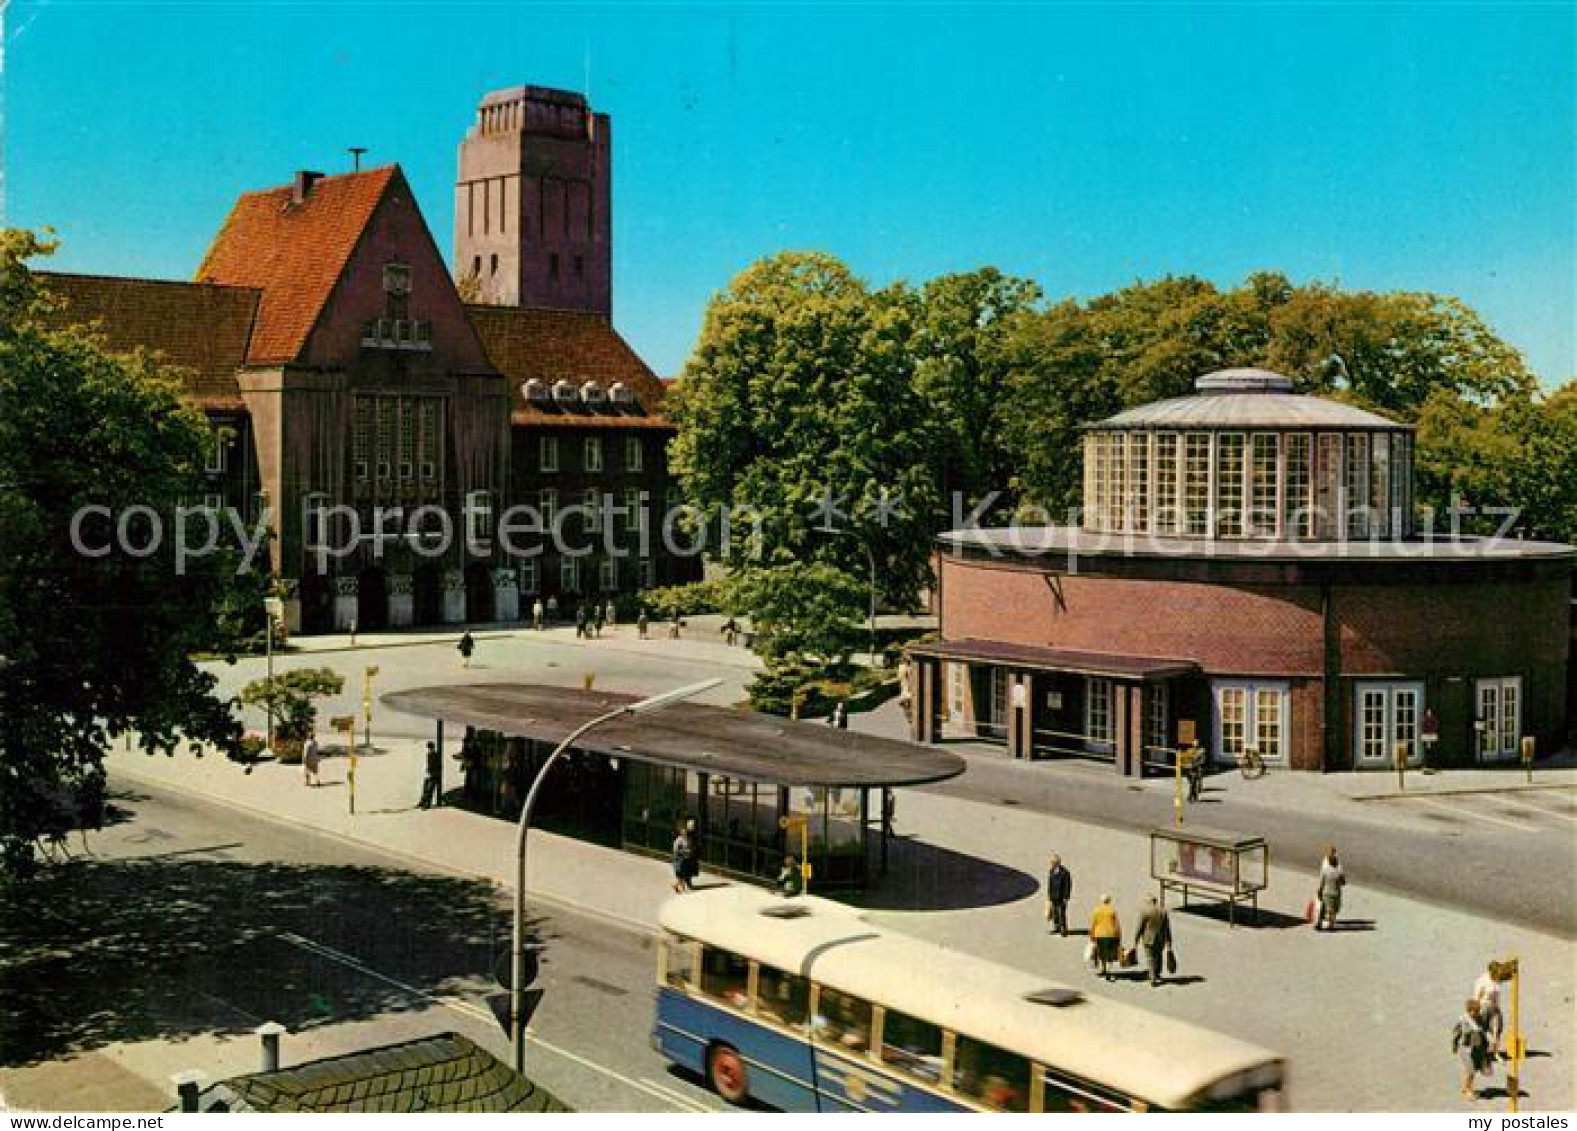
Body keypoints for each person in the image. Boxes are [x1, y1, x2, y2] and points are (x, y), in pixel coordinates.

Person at [1452, 998, 1490, 1098]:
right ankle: (1468, 1091)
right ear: (1469, 1011)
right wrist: (1455, 1045)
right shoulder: (1464, 1019)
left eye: (1479, 1010)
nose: (1478, 1013)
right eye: (1476, 1011)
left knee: (1473, 1071)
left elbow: (1483, 1030)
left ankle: (1466, 1088)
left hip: (1476, 1048)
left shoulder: (1479, 1018)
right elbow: (1460, 1031)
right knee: (1471, 1071)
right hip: (1465, 1049)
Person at [1134, 896, 1173, 986]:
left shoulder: (1145, 912)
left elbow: (1140, 927)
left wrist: (1136, 939)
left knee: (1150, 958)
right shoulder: (1163, 911)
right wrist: (1169, 941)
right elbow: (1167, 928)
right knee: (1158, 955)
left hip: (1148, 938)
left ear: (1149, 902)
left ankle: (1152, 978)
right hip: (1160, 938)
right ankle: (1157, 973)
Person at [1472, 963, 1506, 1061]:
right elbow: (1477, 997)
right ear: (1492, 972)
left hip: (1494, 1008)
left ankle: (1495, 1054)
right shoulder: (1482, 981)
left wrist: (1497, 1008)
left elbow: (1497, 994)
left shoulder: (1497, 980)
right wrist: (1476, 1012)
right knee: (1481, 1031)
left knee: (1496, 1031)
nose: (1499, 977)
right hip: (1483, 1007)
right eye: (1497, 974)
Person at [1089, 895, 1122, 980]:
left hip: (1099, 934)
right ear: (1109, 901)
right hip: (1110, 934)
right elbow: (1117, 924)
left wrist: (1091, 935)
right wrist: (1119, 935)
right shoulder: (1112, 910)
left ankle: (1103, 969)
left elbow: (1093, 924)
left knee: (1101, 952)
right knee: (1109, 953)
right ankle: (1108, 970)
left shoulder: (1097, 910)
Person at [1315, 846, 1346, 931]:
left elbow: (1322, 882)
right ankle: (1331, 926)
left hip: (1326, 892)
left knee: (1322, 909)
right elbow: (1343, 882)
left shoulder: (1325, 870)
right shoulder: (1339, 871)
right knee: (1332, 911)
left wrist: (1319, 890)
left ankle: (1319, 924)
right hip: (1335, 893)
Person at [1045, 855, 1073, 936]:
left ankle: (1064, 929)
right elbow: (1050, 883)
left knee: (1062, 913)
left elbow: (1068, 885)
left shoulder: (1065, 872)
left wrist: (1066, 897)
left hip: (1061, 897)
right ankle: (1057, 927)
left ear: (1057, 863)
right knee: (1055, 913)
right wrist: (1049, 895)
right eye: (1051, 862)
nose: (1051, 863)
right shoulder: (1051, 871)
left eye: (1053, 862)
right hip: (1053, 896)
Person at [418, 740, 442, 809]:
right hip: (431, 773)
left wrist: (433, 772)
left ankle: (427, 803)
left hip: (435, 774)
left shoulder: (435, 754)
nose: (429, 749)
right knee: (426, 787)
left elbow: (437, 765)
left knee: (430, 789)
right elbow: (429, 764)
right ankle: (423, 801)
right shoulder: (430, 754)